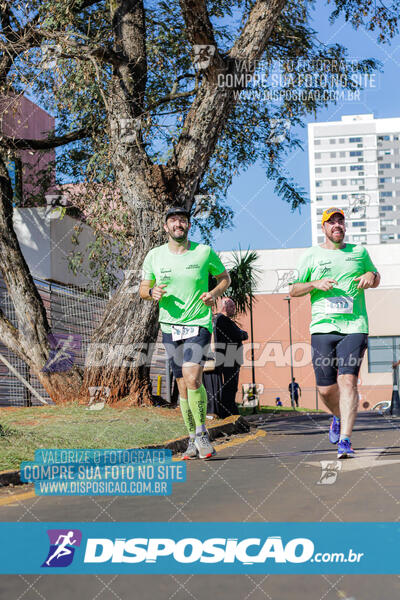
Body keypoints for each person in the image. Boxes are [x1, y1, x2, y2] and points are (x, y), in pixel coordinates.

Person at [140, 206, 230, 459]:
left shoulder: (203, 252)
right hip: (170, 326)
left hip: (199, 322)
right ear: (165, 227)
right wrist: (152, 293)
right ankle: (192, 439)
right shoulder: (154, 256)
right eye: (173, 220)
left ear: (188, 225)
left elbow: (225, 278)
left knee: (192, 378)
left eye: (182, 220)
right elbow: (143, 288)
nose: (178, 224)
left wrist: (213, 293)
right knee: (181, 385)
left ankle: (202, 433)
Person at [289, 207, 380, 458]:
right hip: (322, 328)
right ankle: (338, 417)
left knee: (348, 380)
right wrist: (314, 284)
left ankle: (345, 440)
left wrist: (370, 275)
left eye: (340, 221)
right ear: (324, 228)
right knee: (326, 390)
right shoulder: (311, 255)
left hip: (354, 326)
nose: (337, 225)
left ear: (344, 227)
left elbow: (376, 277)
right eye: (332, 222)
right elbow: (293, 289)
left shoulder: (359, 252)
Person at [213, 297, 248, 418]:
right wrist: (242, 333)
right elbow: (241, 334)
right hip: (229, 358)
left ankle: (228, 411)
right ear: (225, 306)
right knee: (230, 387)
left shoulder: (222, 320)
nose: (235, 309)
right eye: (232, 306)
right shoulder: (223, 320)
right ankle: (229, 412)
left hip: (230, 358)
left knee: (230, 386)